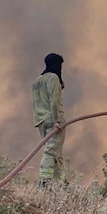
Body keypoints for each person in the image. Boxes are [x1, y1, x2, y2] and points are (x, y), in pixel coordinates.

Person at [32, 53, 66, 185]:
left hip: (41, 120)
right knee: (51, 152)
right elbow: (53, 101)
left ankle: (62, 184)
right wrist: (56, 120)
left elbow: (40, 100)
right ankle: (44, 181)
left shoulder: (37, 81)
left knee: (55, 151)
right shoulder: (53, 78)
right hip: (53, 119)